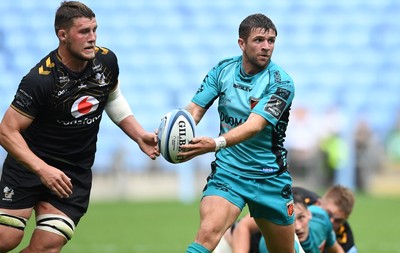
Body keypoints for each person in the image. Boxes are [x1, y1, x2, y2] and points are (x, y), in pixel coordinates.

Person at [0, 1, 159, 252]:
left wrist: (138, 135)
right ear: (62, 35)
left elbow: (112, 97)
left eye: (95, 30)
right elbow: (6, 131)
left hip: (73, 171)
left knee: (48, 245)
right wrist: (43, 169)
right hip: (30, 167)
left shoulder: (106, 61)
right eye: (84, 32)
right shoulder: (40, 80)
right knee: (6, 238)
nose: (92, 38)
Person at [178, 13, 296, 253]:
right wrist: (173, 133)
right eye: (259, 40)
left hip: (269, 177)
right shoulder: (223, 70)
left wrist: (215, 143)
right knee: (207, 233)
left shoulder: (281, 83)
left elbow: (255, 125)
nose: (266, 47)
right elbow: (194, 110)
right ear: (242, 43)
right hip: (229, 172)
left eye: (271, 40)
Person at [214, 185, 357, 253]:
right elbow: (243, 227)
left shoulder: (335, 229)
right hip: (235, 244)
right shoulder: (293, 201)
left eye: (339, 221)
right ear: (318, 204)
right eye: (329, 214)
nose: (332, 222)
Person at [258, 190, 344, 253]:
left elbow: (337, 250)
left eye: (301, 217)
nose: (298, 227)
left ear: (309, 214)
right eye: (291, 221)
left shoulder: (322, 219)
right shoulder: (272, 244)